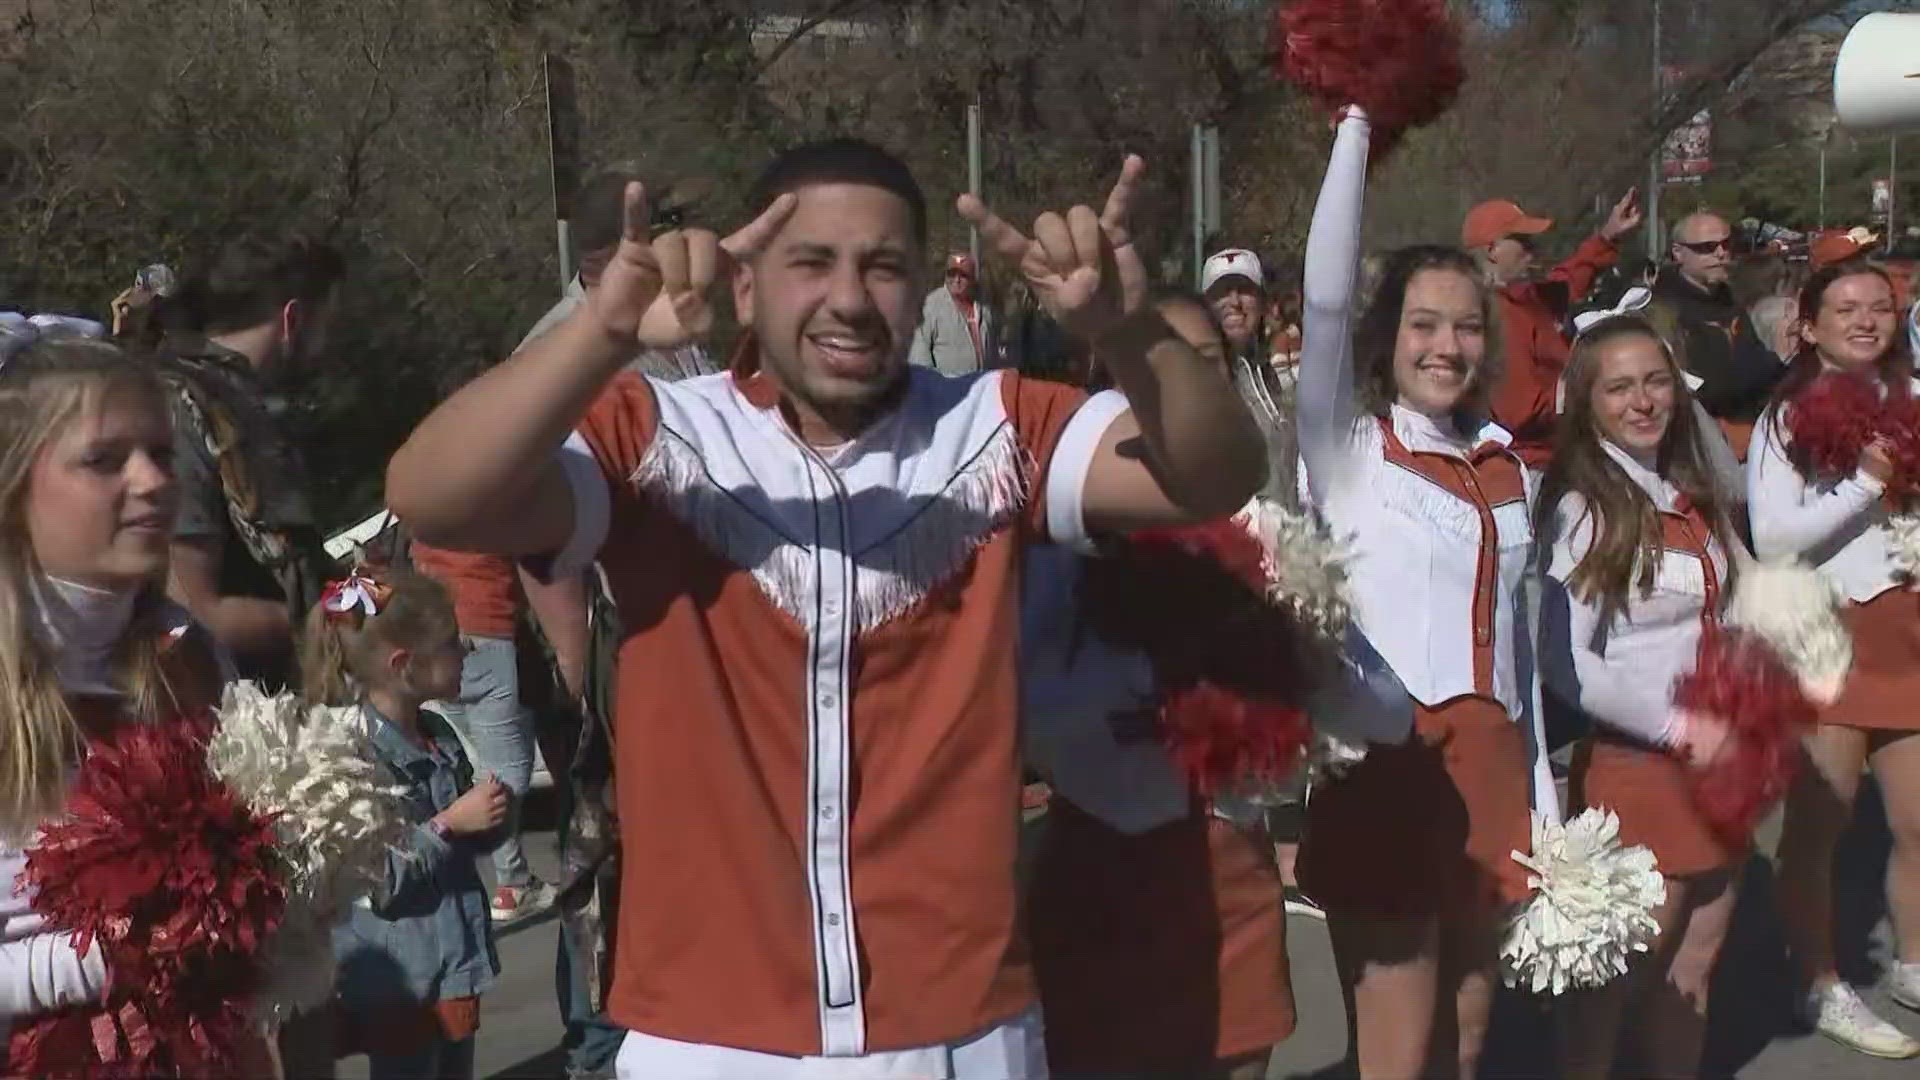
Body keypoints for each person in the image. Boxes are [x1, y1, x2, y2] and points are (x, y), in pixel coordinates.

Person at [384, 136, 1267, 1075]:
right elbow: (432, 493)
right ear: (748, 286)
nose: (848, 298)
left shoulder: (996, 424)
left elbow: (1213, 476)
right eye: (811, 262)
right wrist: (599, 334)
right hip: (709, 1033)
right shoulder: (661, 433)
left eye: (883, 266)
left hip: (960, 1030)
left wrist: (1129, 330)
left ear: (922, 285)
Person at [1292, 108, 1553, 1079]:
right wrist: (1358, 123)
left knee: (1469, 1044)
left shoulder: (1504, 464)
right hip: (1395, 776)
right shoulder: (1350, 449)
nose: (1447, 345)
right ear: (1387, 337)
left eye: (1467, 327)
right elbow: (1321, 301)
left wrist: (1548, 807)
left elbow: (1519, 646)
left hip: (1496, 775)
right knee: (1397, 1060)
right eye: (1424, 324)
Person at [1023, 293, 1294, 1080]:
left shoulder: (1268, 523)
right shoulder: (1063, 520)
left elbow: (1340, 690)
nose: (1179, 382)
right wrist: (1149, 717)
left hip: (1232, 865)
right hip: (1107, 867)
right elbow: (1026, 700)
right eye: (1154, 357)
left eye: (1202, 363)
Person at [0, 335, 259, 1074]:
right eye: (105, 459)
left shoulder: (192, 659)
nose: (152, 482)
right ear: (12, 484)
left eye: (162, 454)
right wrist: (104, 960)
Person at [1537, 315, 1747, 1078]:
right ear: (1585, 401)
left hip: (1722, 770)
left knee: (1693, 972)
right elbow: (1567, 668)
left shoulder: (1691, 493)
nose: (1643, 400)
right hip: (1640, 773)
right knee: (1611, 988)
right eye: (1619, 386)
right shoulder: (1586, 508)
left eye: (1656, 381)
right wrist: (1678, 726)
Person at [1749, 259, 1920, 1060]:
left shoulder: (1910, 397)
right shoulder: (1787, 417)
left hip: (1908, 635)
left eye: (1880, 306)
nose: (1865, 319)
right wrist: (1867, 482)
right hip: (1831, 640)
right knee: (1822, 825)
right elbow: (1776, 537)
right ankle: (1817, 981)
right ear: (1808, 325)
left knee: (1918, 822)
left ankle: (1915, 965)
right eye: (1844, 307)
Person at [309, 568, 508, 1080]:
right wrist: (449, 824)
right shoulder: (356, 754)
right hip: (401, 978)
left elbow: (470, 838)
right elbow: (380, 880)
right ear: (404, 665)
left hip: (450, 962)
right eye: (449, 644)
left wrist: (493, 819)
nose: (465, 650)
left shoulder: (435, 732)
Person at [158, 234, 344, 691]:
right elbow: (197, 615)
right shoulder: (179, 408)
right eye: (328, 326)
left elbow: (302, 567)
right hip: (228, 722)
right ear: (293, 319)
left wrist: (381, 599)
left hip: (281, 697)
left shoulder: (248, 409)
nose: (329, 346)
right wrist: (337, 626)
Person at [409, 544, 558, 922]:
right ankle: (511, 882)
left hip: (439, 627)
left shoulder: (424, 497)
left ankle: (509, 878)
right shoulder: (482, 494)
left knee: (481, 767)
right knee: (508, 771)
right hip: (484, 623)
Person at [1462, 190, 1640, 466]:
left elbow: (1566, 280)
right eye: (1522, 241)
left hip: (1561, 452)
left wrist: (1607, 237)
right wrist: (1597, 389)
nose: (1532, 249)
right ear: (1492, 250)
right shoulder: (1497, 315)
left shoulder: (1523, 298)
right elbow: (1522, 412)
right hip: (1534, 465)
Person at [1652, 211, 1784, 458]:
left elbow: (1763, 366)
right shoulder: (1662, 310)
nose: (1721, 254)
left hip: (1753, 441)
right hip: (1697, 448)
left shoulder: (1729, 300)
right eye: (1707, 247)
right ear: (1678, 253)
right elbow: (1692, 386)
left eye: (1727, 244)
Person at [909, 252, 996, 375]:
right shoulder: (930, 306)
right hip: (945, 390)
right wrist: (935, 388)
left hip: (980, 389)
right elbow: (919, 356)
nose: (957, 280)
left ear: (972, 279)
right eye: (952, 274)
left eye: (963, 275)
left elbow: (993, 354)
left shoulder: (984, 309)